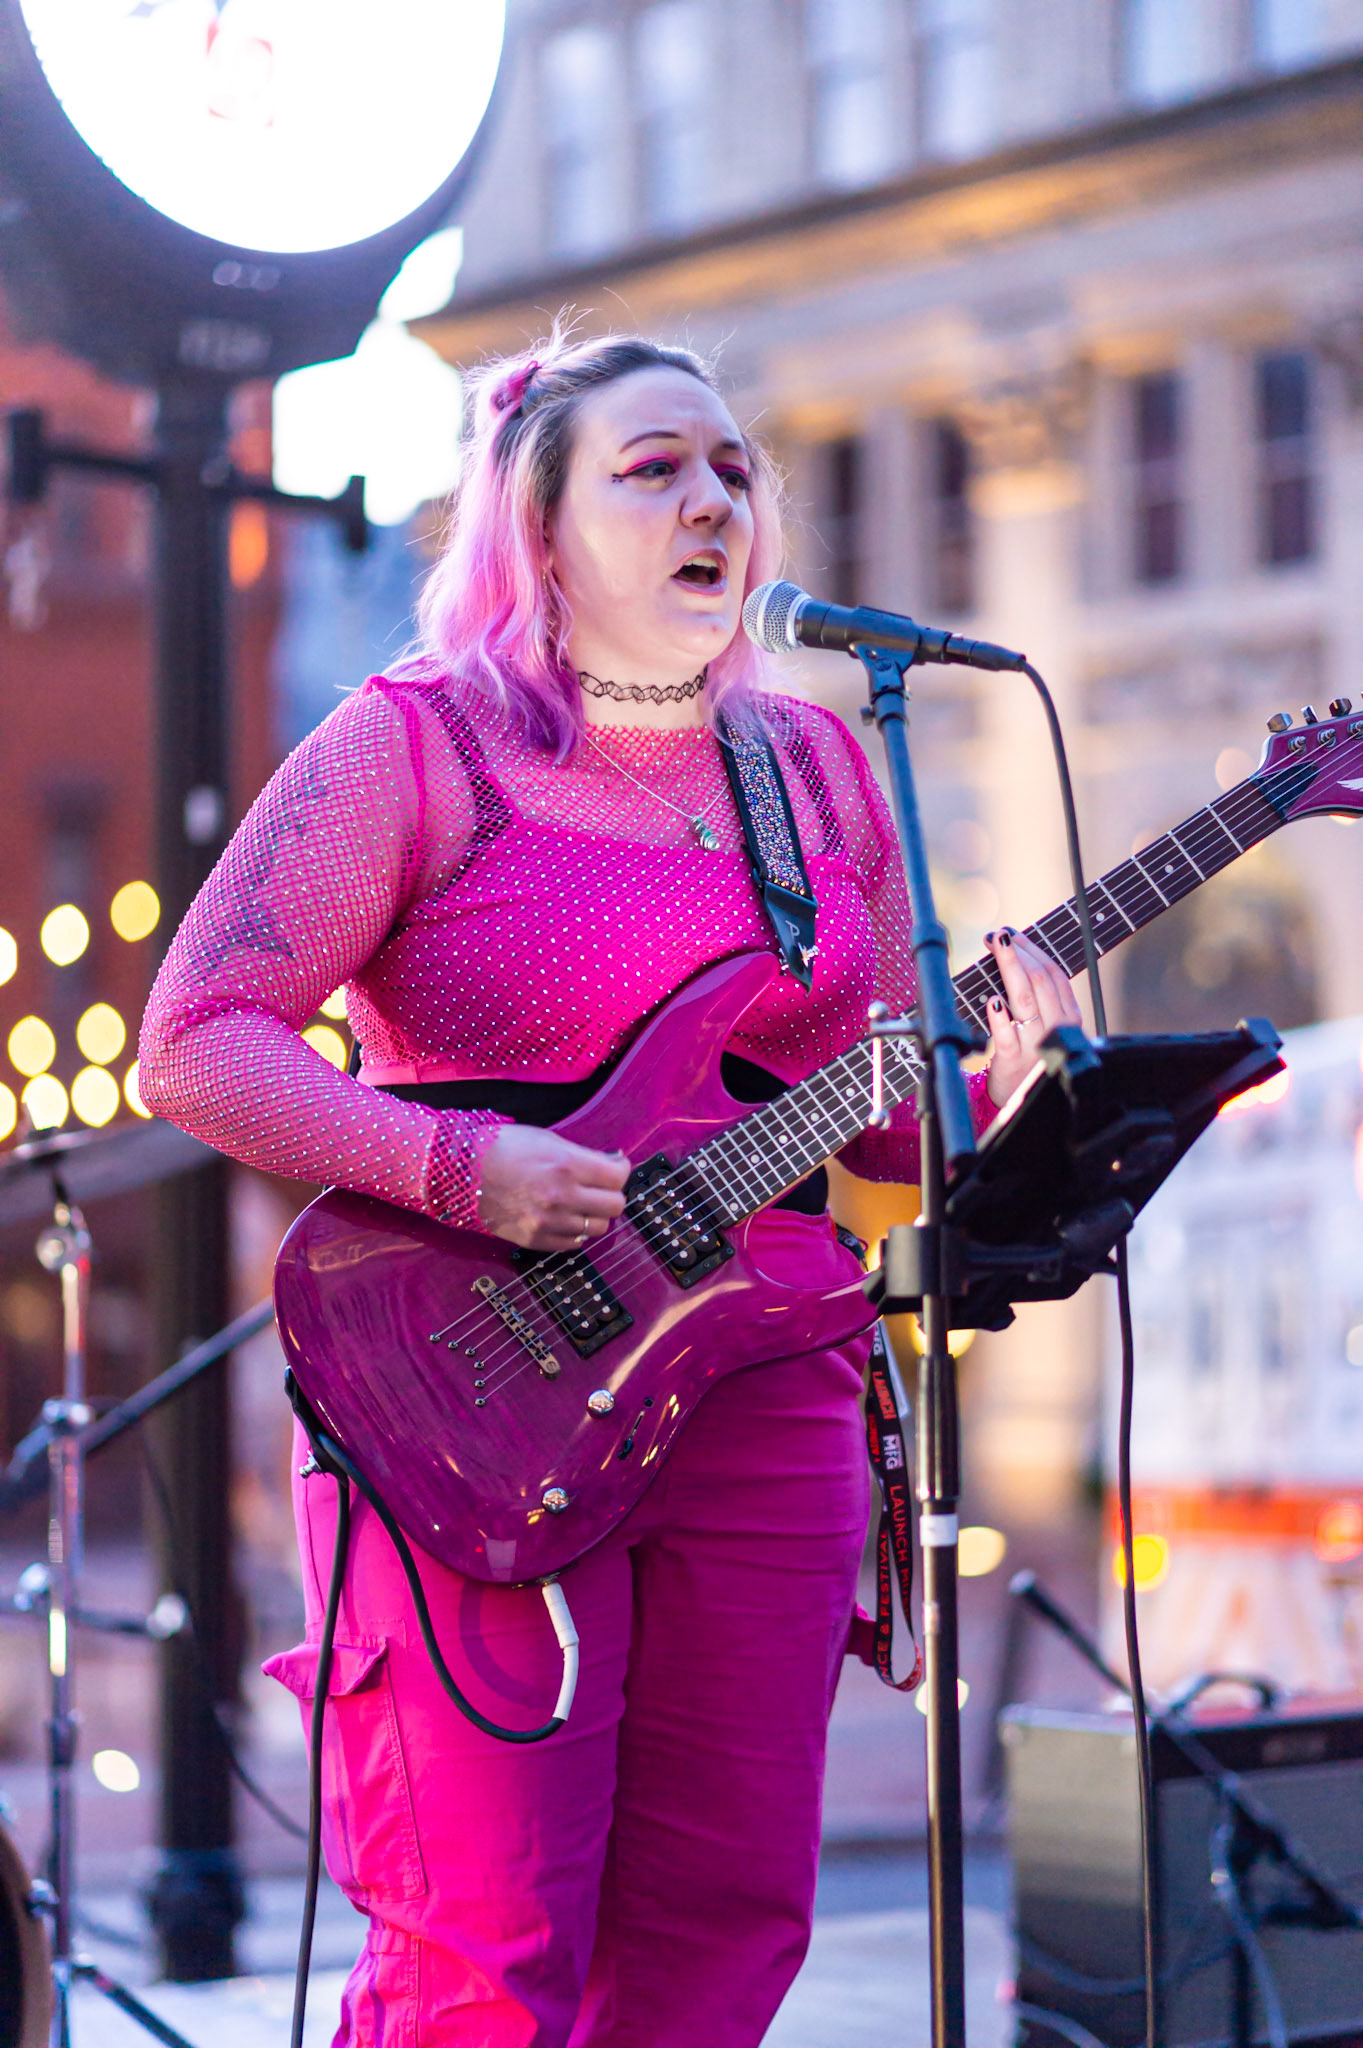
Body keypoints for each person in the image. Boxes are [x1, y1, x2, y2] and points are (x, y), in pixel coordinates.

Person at [139, 328, 1079, 2048]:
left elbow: (880, 1137)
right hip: (479, 1382)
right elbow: (196, 1040)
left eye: (731, 469)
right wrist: (460, 1165)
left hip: (771, 1383)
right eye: (653, 470)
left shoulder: (818, 770)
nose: (711, 499)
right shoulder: (416, 743)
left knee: (724, 1923)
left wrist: (994, 1066)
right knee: (485, 1942)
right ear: (540, 527)